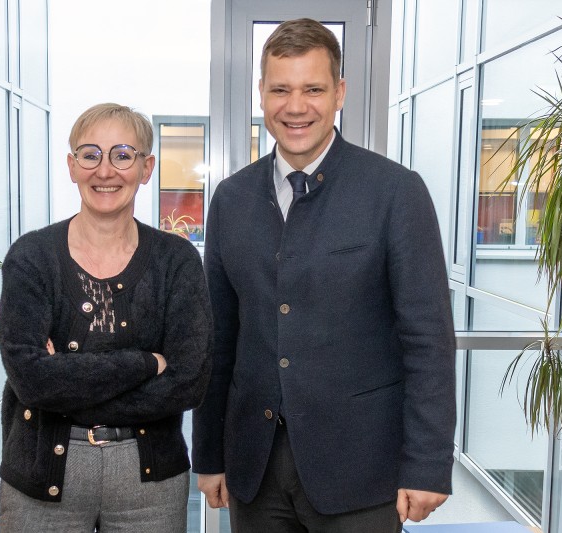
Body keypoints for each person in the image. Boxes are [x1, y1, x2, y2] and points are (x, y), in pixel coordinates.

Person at [192, 18, 456, 532]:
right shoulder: (231, 198)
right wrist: (208, 453)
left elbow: (427, 339)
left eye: (313, 89)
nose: (296, 106)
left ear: (339, 93)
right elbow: (217, 341)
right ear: (262, 95)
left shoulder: (395, 192)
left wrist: (427, 465)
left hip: (362, 471)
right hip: (255, 468)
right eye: (280, 89)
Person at [0, 103, 212, 532]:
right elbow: (31, 380)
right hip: (41, 480)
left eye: (123, 155)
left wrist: (66, 381)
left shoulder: (177, 261)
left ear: (146, 167)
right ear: (72, 166)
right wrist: (147, 363)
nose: (105, 171)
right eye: (91, 154)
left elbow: (190, 381)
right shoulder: (32, 257)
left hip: (149, 487)